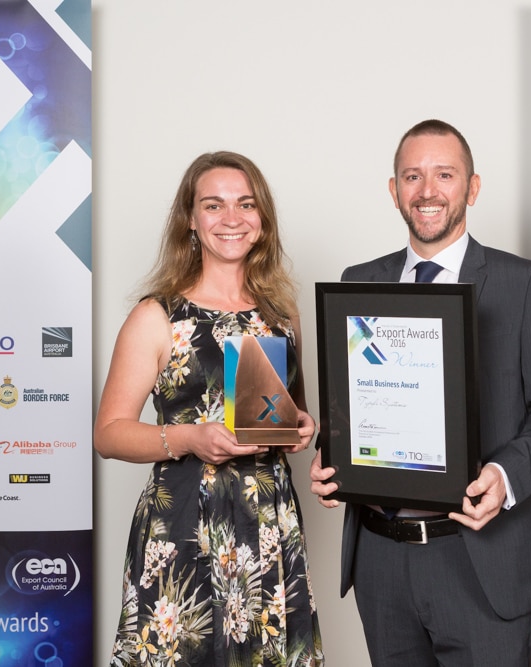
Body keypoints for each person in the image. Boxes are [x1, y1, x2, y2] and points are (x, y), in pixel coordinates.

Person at [309, 119, 531, 666]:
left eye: (444, 175)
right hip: (382, 563)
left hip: (481, 559)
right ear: (394, 191)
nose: (427, 191)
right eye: (412, 176)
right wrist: (332, 454)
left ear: (472, 188)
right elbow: (351, 401)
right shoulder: (359, 282)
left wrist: (504, 475)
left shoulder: (525, 284)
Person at [96, 151, 324, 666]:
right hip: (184, 525)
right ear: (191, 220)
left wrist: (306, 425)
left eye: (246, 204)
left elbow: (294, 412)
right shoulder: (157, 316)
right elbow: (108, 433)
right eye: (213, 205)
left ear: (262, 221)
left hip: (268, 520)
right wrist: (190, 438)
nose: (231, 219)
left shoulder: (281, 315)